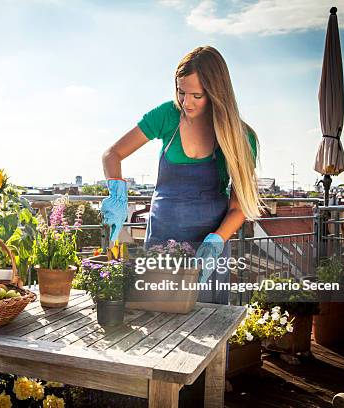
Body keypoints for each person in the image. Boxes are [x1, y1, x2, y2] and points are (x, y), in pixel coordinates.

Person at [101, 45, 260, 305]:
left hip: (209, 247)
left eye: (196, 95)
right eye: (181, 92)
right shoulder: (167, 115)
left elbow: (239, 206)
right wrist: (117, 194)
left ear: (216, 93)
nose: (186, 103)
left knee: (208, 322)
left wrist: (216, 241)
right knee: (156, 317)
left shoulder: (241, 138)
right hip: (162, 239)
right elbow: (112, 154)